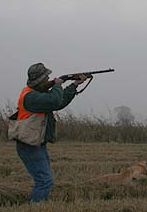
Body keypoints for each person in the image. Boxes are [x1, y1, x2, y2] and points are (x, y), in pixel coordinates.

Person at [13, 63, 89, 202]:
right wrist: (58, 84)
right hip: (29, 146)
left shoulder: (37, 94)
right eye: (47, 76)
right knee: (45, 182)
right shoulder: (30, 97)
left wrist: (74, 85)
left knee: (44, 181)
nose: (49, 77)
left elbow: (59, 102)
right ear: (41, 79)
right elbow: (54, 100)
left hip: (36, 144)